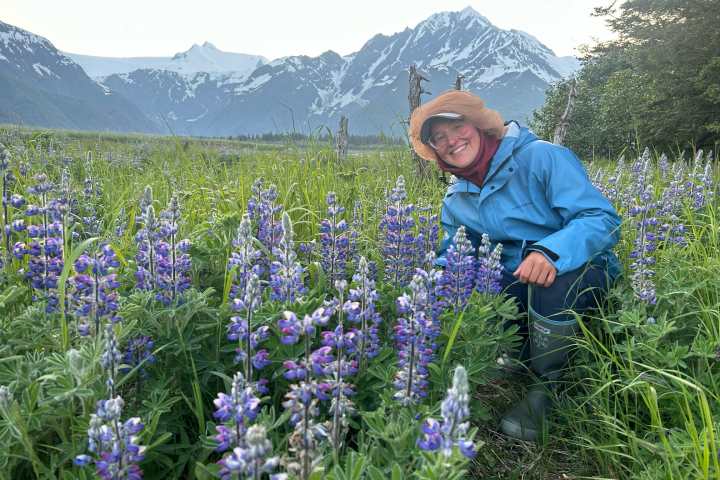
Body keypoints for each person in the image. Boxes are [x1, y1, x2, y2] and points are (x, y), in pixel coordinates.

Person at [409, 90, 621, 442]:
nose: (452, 141)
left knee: (551, 284)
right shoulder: (457, 195)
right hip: (514, 279)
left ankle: (549, 385)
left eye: (457, 127)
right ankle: (514, 356)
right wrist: (438, 278)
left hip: (580, 271)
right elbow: (458, 250)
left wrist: (550, 252)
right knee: (467, 283)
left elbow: (601, 218)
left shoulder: (541, 157)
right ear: (434, 151)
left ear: (477, 125)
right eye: (439, 138)